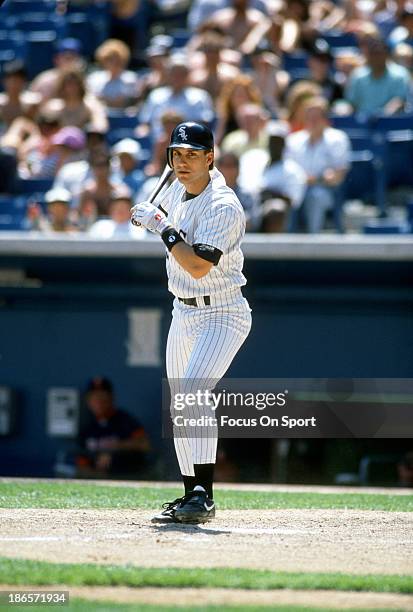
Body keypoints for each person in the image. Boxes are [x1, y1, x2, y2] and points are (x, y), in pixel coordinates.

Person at [130, 121, 252, 523]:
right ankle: (190, 494)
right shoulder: (175, 187)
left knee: (193, 392)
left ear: (210, 157)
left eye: (192, 155)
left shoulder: (223, 204)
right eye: (177, 155)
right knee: (179, 403)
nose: (183, 162)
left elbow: (198, 264)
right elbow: (160, 214)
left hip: (222, 309)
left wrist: (160, 226)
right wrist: (151, 214)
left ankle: (204, 493)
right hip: (182, 310)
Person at [285, 96, 350, 233]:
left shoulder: (338, 139)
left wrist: (316, 179)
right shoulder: (293, 140)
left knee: (315, 196)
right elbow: (288, 171)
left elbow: (337, 175)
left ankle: (313, 240)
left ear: (325, 120)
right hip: (296, 188)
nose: (312, 121)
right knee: (285, 198)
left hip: (326, 191)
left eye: (316, 117)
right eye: (309, 117)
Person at [76, 376, 150, 478]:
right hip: (97, 482)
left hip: (128, 478)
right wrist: (99, 475)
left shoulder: (125, 420)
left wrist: (114, 448)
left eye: (103, 397)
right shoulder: (87, 429)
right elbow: (81, 467)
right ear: (88, 401)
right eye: (94, 397)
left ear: (111, 398)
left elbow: (145, 444)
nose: (99, 401)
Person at [345, 36, 411, 116]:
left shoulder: (400, 74)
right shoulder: (358, 75)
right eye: (373, 53)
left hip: (392, 122)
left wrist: (384, 115)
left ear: (386, 54)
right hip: (362, 122)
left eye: (379, 53)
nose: (376, 57)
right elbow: (352, 104)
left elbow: (400, 100)